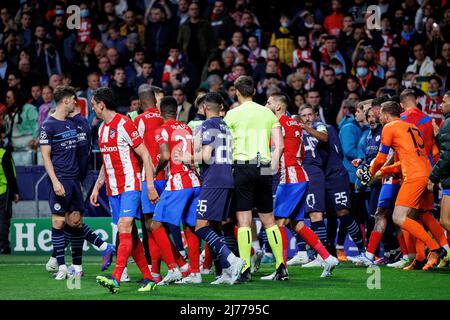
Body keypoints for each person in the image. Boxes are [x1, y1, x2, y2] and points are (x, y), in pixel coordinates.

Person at [90, 87, 158, 293]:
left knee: (124, 226)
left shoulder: (124, 123)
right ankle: (148, 278)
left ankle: (116, 277)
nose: (92, 108)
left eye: (93, 104)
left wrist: (150, 185)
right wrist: (97, 185)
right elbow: (106, 160)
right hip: (112, 189)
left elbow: (145, 155)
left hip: (130, 185)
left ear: (102, 105)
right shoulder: (102, 129)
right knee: (132, 236)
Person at [368, 101, 447, 271]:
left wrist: (372, 171)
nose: (379, 117)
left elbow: (381, 158)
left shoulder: (389, 127)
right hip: (427, 172)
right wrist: (383, 171)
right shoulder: (411, 127)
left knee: (399, 217)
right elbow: (406, 160)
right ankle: (421, 257)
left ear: (386, 114)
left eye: (380, 114)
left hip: (413, 176)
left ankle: (434, 248)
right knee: (422, 215)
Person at [266, 93, 339, 278]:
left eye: (269, 102)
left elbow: (270, 149)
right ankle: (327, 257)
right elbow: (304, 153)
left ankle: (281, 270)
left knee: (278, 222)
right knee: (297, 224)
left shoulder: (279, 124)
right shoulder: (295, 124)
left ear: (278, 107)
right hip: (300, 173)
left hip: (290, 176)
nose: (266, 105)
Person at [178, 92, 246, 284]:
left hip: (214, 180)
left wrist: (187, 158)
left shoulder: (207, 125)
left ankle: (233, 260)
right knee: (215, 226)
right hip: (227, 178)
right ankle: (225, 271)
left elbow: (206, 156)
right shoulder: (226, 126)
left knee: (200, 226)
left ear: (205, 108)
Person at [223, 76, 286, 282]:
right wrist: (274, 163)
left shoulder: (232, 115)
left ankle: (246, 268)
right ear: (254, 91)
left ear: (237, 92)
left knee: (244, 220)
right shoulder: (267, 113)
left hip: (243, 166)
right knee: (268, 219)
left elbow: (225, 145)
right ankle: (281, 266)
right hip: (265, 166)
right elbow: (280, 145)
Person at [151, 96, 201, 285]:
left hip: (178, 182)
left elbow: (164, 155)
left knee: (156, 225)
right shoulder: (186, 128)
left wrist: (157, 170)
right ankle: (194, 272)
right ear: (176, 111)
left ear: (160, 111)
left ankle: (173, 268)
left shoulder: (161, 130)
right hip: (195, 181)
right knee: (190, 226)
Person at [39, 86, 86, 280]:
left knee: (75, 223)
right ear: (65, 101)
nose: (76, 102)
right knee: (58, 223)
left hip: (74, 181)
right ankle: (62, 267)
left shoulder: (73, 123)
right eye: (73, 99)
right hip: (59, 181)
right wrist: (55, 181)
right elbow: (45, 156)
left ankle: (76, 267)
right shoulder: (48, 125)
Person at [133, 85, 166, 284]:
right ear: (154, 101)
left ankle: (161, 270)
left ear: (140, 103)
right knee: (161, 225)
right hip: (167, 177)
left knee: (150, 225)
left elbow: (137, 149)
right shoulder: (164, 118)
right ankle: (174, 266)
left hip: (149, 178)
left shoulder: (140, 120)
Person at [428, 91, 450, 265]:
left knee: (444, 220)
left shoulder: (448, 123)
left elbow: (447, 156)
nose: (440, 105)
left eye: (444, 101)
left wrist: (433, 176)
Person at [0, 132, 19, 254]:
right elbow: (10, 176)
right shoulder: (3, 154)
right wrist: (16, 192)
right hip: (3, 191)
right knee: (3, 219)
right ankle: (3, 246)